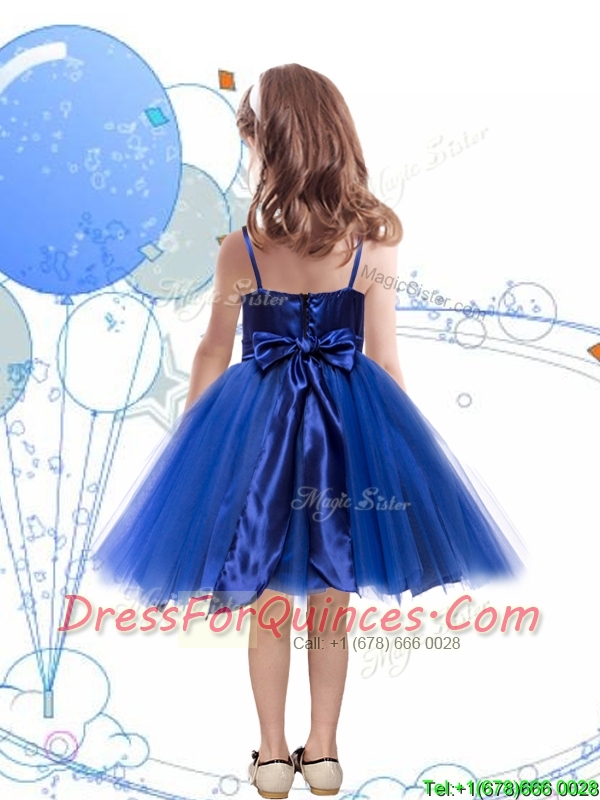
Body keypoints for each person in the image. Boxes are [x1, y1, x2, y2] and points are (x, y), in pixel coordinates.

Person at [92, 64, 526, 799]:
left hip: (257, 429)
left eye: (253, 142)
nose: (251, 156)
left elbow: (212, 351)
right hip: (344, 427)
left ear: (274, 148)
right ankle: (321, 751)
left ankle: (271, 754)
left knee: (265, 591)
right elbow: (383, 357)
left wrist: (194, 442)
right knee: (332, 591)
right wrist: (400, 455)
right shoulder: (372, 243)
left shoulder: (243, 247)